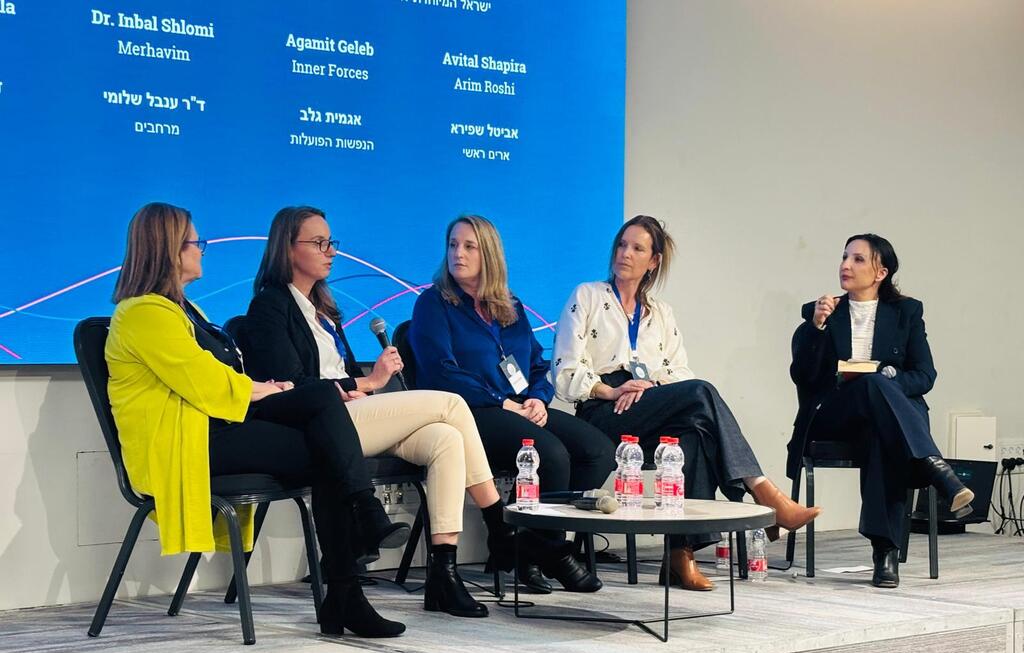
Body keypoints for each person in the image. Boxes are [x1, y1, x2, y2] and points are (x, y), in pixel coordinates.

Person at [244, 206, 572, 617]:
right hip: (321, 425)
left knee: (446, 439)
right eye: (319, 243)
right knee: (451, 405)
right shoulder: (269, 308)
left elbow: (338, 373)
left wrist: (361, 387)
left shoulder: (322, 309)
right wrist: (366, 383)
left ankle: (443, 575)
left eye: (332, 242)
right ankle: (499, 524)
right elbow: (288, 386)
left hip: (354, 414)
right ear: (287, 249)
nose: (331, 251)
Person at [105, 202, 403, 638]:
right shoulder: (143, 314)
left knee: (321, 409)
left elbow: (226, 378)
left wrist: (271, 390)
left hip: (219, 430)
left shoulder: (186, 311)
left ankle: (349, 577)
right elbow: (207, 382)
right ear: (167, 249)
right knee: (327, 445)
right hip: (188, 444)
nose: (202, 250)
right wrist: (270, 389)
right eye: (194, 242)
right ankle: (351, 569)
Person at [551, 215, 821, 590]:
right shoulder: (589, 296)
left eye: (637, 248)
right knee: (701, 392)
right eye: (622, 245)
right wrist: (612, 390)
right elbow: (564, 371)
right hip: (603, 410)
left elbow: (679, 373)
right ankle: (763, 491)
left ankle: (679, 557)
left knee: (691, 436)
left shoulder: (661, 313)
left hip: (649, 403)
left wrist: (650, 388)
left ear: (654, 261)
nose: (625, 254)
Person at [410, 214, 613, 594]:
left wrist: (537, 397)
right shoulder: (433, 303)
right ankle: (545, 553)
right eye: (453, 245)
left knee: (598, 450)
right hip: (469, 414)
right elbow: (440, 373)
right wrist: (501, 402)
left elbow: (538, 364)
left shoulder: (510, 305)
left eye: (469, 246)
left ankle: (531, 544)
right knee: (550, 455)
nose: (458, 253)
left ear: (489, 254)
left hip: (520, 408)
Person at [788, 233, 974, 588]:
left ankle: (884, 552)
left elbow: (924, 375)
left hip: (880, 420)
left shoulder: (905, 313)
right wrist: (816, 328)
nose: (846, 265)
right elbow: (803, 376)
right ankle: (933, 466)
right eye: (844, 257)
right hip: (835, 415)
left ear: (881, 272)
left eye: (858, 259)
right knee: (873, 388)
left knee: (880, 428)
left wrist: (888, 383)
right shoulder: (822, 312)